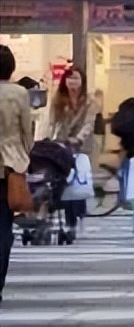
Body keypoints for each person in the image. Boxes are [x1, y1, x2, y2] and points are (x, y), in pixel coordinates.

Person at [45, 65, 98, 235]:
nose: (72, 82)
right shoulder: (58, 98)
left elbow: (89, 124)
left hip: (81, 147)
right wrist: (49, 139)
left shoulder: (90, 101)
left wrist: (79, 139)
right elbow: (52, 122)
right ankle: (69, 221)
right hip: (61, 146)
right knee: (65, 183)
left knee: (79, 182)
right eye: (69, 78)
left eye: (76, 78)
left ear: (82, 81)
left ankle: (79, 217)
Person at [0, 45, 33, 305]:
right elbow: (26, 131)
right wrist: (25, 155)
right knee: (4, 227)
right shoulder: (19, 93)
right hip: (9, 167)